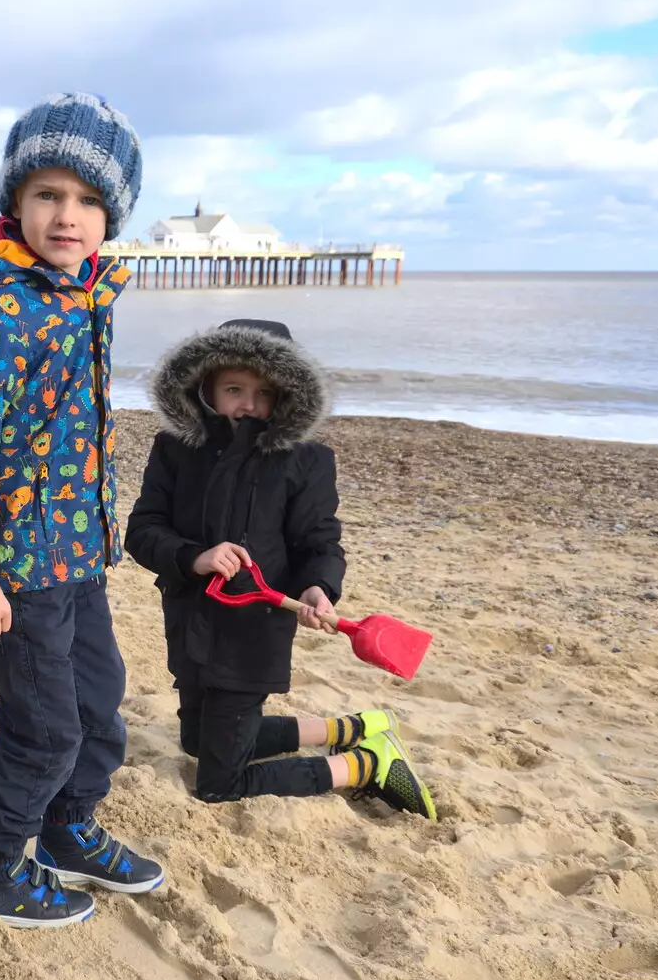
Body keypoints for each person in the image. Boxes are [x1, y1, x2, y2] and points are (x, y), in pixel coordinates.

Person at [0, 93, 163, 930]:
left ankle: (67, 831)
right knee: (43, 726)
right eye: (50, 195)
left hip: (77, 554)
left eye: (90, 200)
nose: (69, 216)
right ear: (15, 203)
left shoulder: (84, 296)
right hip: (16, 568)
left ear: (112, 217)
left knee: (100, 704)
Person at [124, 318, 437, 819]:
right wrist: (195, 557)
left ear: (287, 396)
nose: (248, 404)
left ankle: (364, 764)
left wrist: (317, 586)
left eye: (263, 392)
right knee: (196, 740)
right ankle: (349, 728)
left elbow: (320, 543)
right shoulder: (175, 450)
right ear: (205, 388)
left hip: (253, 635)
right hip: (188, 620)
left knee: (218, 785)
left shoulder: (305, 461)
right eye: (234, 389)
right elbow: (142, 531)